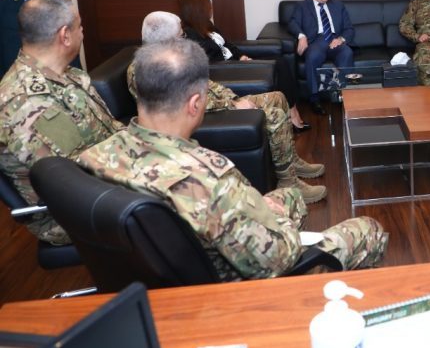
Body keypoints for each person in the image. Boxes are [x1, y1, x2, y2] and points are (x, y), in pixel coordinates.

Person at [78, 40, 388, 281]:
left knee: (291, 196)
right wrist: (275, 218)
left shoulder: (95, 154)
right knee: (369, 230)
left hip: (157, 277)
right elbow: (276, 260)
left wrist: (261, 208)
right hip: (230, 286)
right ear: (196, 103)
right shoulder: (210, 178)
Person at [136, 12, 326, 203]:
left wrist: (234, 99)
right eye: (181, 34)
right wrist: (233, 105)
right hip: (210, 113)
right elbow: (188, 103)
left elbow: (210, 86)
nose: (185, 38)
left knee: (278, 98)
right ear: (168, 40)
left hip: (222, 104)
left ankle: (291, 161)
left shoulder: (175, 60)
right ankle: (288, 181)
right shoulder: (150, 70)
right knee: (274, 114)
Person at [0, 0, 123, 245]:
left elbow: (108, 131)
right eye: (80, 26)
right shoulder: (27, 101)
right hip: (70, 213)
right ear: (65, 35)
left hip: (104, 184)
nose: (83, 32)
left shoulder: (70, 76)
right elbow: (75, 177)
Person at [180, 0, 307, 130]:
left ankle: (292, 109)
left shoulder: (208, 27)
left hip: (237, 62)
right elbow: (209, 61)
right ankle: (293, 113)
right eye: (208, 6)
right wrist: (236, 62)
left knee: (280, 61)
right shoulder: (192, 35)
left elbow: (229, 45)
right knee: (279, 64)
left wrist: (241, 56)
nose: (211, 9)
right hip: (230, 69)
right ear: (198, 9)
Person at [287, 0, 355, 116]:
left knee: (347, 52)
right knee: (313, 56)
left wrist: (341, 39)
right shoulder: (302, 6)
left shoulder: (338, 6)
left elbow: (349, 29)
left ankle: (344, 95)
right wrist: (301, 36)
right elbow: (292, 23)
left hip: (335, 40)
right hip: (316, 41)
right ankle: (314, 99)